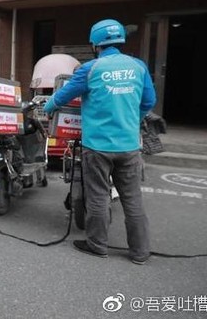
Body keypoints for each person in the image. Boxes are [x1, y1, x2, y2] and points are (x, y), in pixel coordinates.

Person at [43, 19, 157, 265]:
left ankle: (97, 245)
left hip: (98, 147)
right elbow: (149, 101)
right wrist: (131, 120)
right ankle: (140, 252)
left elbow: (63, 95)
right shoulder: (138, 66)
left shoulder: (91, 69)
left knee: (97, 196)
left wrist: (48, 106)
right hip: (129, 146)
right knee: (132, 198)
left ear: (96, 44)